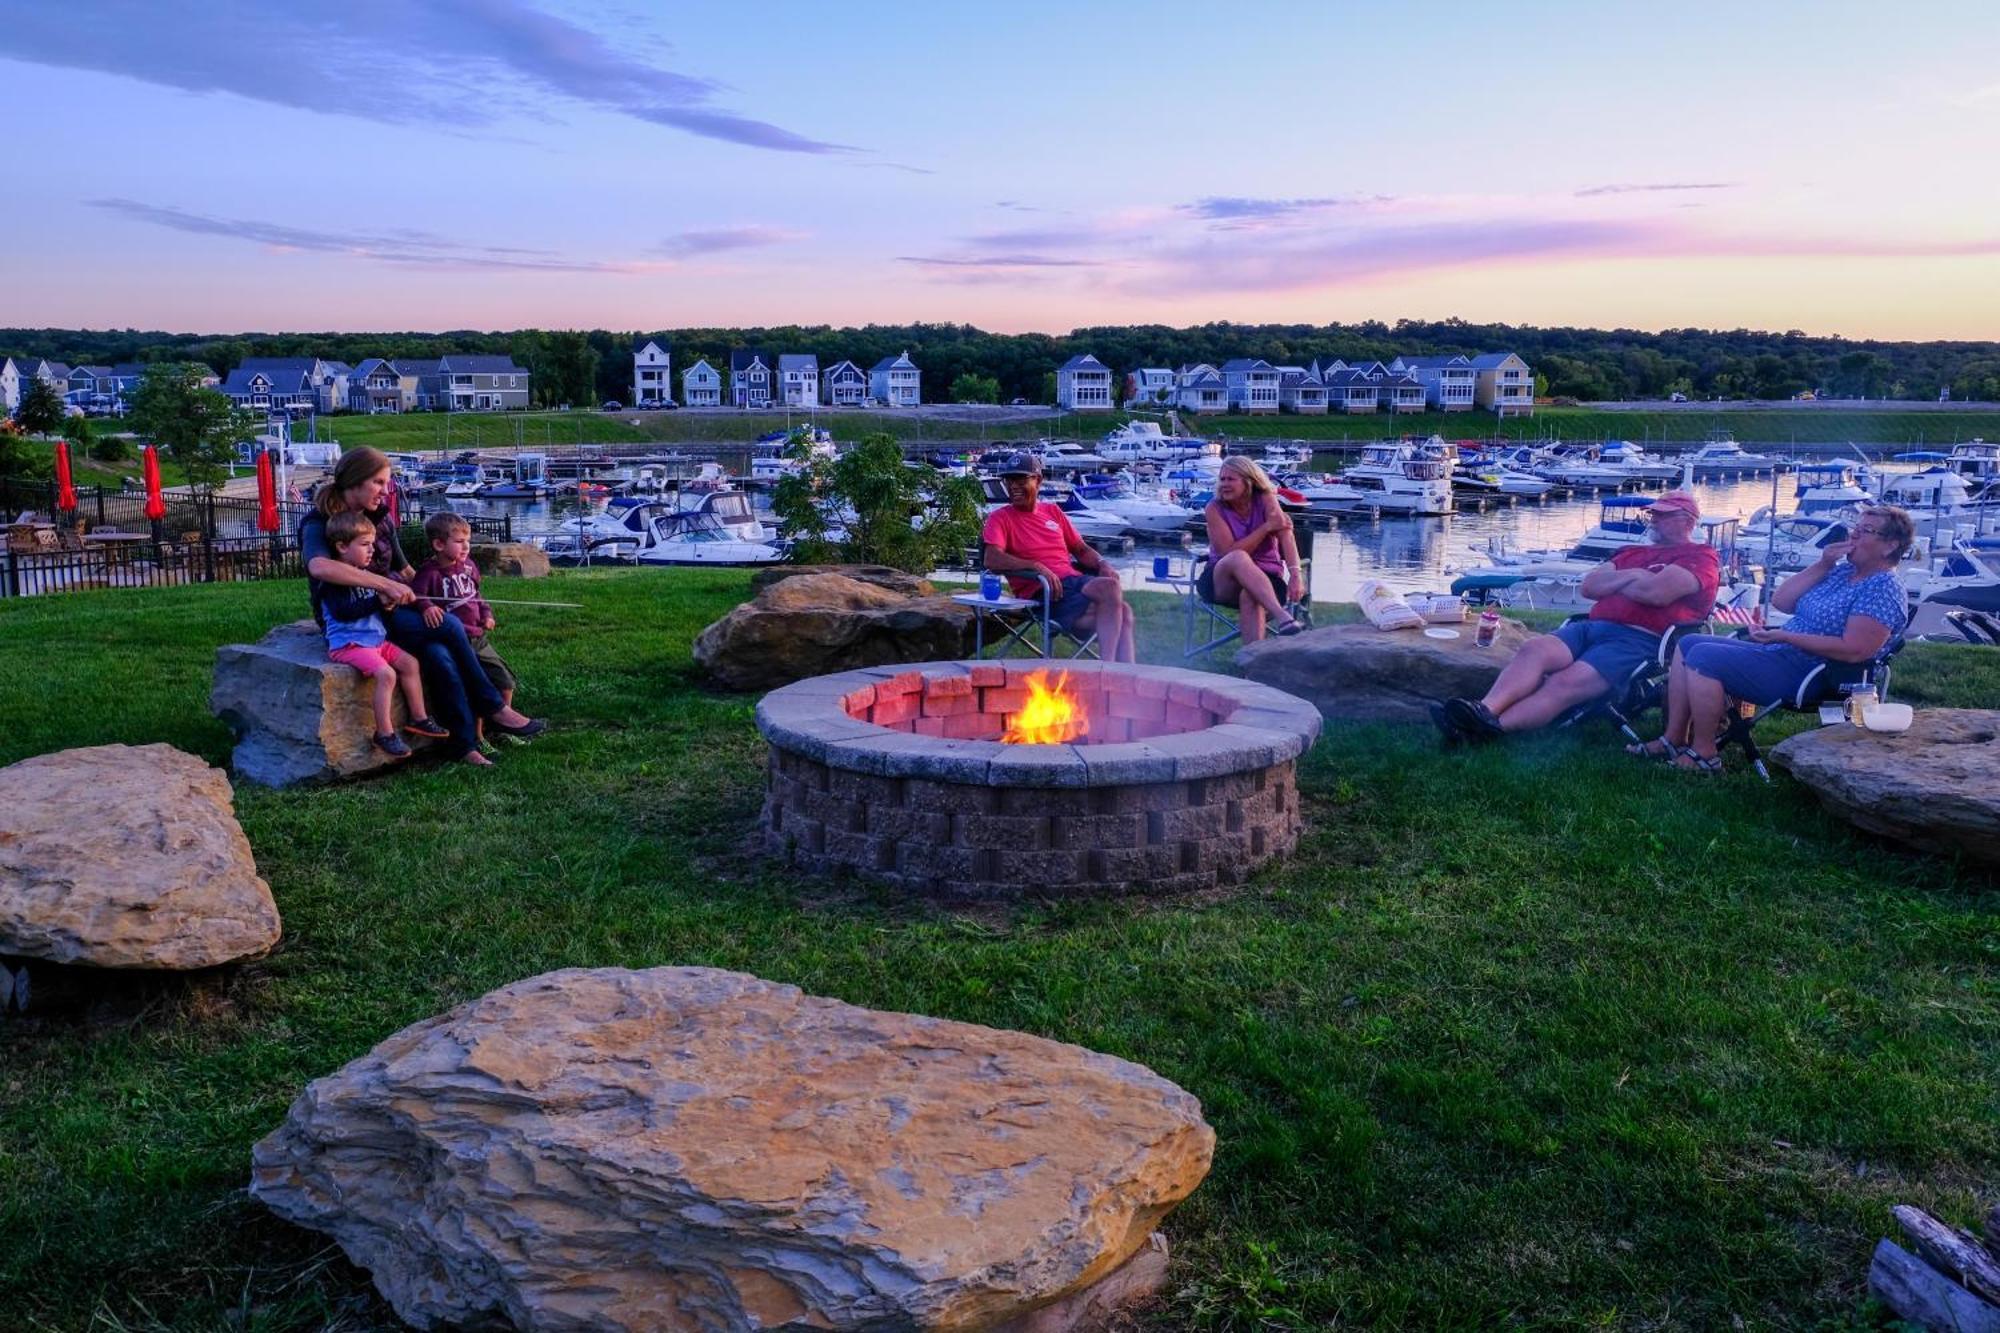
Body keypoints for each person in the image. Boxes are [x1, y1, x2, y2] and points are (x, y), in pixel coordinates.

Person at [299, 447, 544, 768]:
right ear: (355, 481)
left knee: (439, 653)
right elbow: (319, 567)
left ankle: (463, 744)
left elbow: (404, 571)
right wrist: (385, 586)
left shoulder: (379, 519)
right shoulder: (319, 522)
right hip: (356, 614)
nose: (386, 490)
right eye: (378, 482)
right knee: (451, 629)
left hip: (390, 608)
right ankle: (492, 706)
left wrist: (429, 599)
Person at [1636, 504, 1912, 773]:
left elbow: (1855, 650)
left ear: (1891, 545)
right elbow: (1782, 601)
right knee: (1689, 643)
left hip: (1814, 673)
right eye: (1856, 528)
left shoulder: (1883, 587)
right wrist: (1823, 563)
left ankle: (1705, 753)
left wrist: (1787, 637)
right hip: (1783, 653)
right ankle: (1674, 739)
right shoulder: (1841, 572)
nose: (1853, 535)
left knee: (1703, 657)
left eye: (1866, 531)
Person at [1433, 490, 1719, 744]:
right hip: (1591, 627)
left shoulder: (1699, 557)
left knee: (1564, 683)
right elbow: (1590, 587)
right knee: (1534, 649)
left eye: (1663, 515)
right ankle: (1484, 710)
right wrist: (1635, 575)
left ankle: (1489, 729)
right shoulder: (1632, 552)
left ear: (1687, 520)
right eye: (1652, 513)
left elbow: (1656, 594)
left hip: (1638, 640)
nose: (1653, 518)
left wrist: (1620, 581)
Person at [980, 452, 1136, 662]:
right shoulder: (1000, 518)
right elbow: (992, 559)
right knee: (1109, 589)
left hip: (1072, 584)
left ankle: (1126, 680)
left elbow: (1080, 549)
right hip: (1044, 591)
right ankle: (1107, 669)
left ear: (1039, 481)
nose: (1013, 486)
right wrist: (1035, 566)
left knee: (1124, 612)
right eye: (1009, 480)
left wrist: (1102, 562)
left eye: (1021, 479)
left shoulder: (1052, 511)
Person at [320, 511, 448, 759]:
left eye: (372, 544)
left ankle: (419, 718)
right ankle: (385, 733)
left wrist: (390, 603)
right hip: (349, 644)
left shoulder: (368, 576)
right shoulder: (333, 581)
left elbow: (375, 607)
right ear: (342, 546)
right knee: (386, 674)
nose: (372, 551)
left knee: (410, 664)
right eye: (365, 545)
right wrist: (380, 601)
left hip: (375, 641)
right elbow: (344, 612)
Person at [408, 511, 521, 753]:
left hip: (479, 638)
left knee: (504, 680)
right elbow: (417, 595)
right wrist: (426, 606)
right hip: (459, 641)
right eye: (459, 542)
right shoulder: (429, 573)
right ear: (439, 544)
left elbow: (476, 596)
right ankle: (479, 737)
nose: (466, 546)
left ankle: (503, 726)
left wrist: (487, 614)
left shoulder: (469, 567)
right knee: (475, 688)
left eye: (467, 540)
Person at [1200, 456, 1307, 641]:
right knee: (1238, 557)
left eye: (1231, 479)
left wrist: (1296, 576)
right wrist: (1265, 528)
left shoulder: (1266, 499)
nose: (1224, 484)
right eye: (1222, 479)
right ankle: (1283, 617)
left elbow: (1286, 535)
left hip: (1266, 580)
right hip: (1223, 580)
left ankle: (1252, 663)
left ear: (1248, 481)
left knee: (1251, 595)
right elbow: (1228, 552)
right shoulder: (1214, 508)